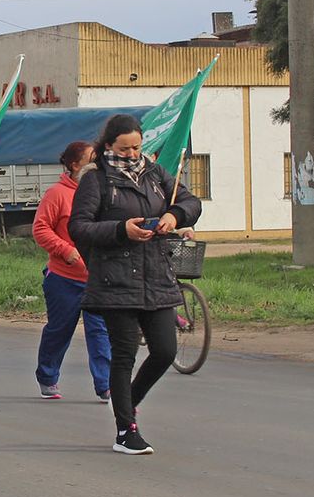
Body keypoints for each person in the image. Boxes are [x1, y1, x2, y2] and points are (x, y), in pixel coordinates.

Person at [68, 114, 202, 456]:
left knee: (165, 351)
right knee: (124, 354)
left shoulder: (155, 174)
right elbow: (79, 228)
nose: (131, 154)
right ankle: (126, 431)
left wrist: (175, 217)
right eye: (124, 148)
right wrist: (120, 230)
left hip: (157, 275)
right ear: (108, 146)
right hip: (116, 281)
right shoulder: (95, 180)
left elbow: (189, 201)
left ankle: (129, 399)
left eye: (137, 147)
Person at [32, 141, 112, 402]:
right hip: (64, 279)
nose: (96, 164)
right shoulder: (57, 194)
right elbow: (41, 229)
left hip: (97, 279)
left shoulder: (103, 191)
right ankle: (47, 376)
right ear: (75, 165)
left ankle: (106, 384)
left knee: (100, 332)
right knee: (60, 330)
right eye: (91, 159)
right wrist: (65, 250)